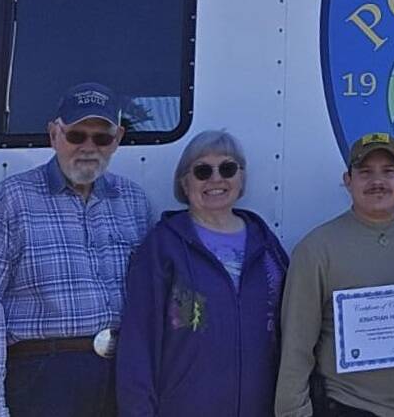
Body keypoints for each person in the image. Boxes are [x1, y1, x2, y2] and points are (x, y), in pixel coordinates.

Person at [0, 82, 153, 417]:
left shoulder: (135, 202)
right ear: (54, 135)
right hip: (42, 379)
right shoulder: (12, 198)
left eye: (102, 137)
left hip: (122, 379)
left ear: (118, 139)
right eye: (76, 135)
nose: (88, 147)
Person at [276, 132, 394, 417]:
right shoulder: (316, 249)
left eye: (388, 172)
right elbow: (296, 345)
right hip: (349, 406)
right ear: (348, 180)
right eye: (365, 172)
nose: (378, 182)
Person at [116, 130, 289, 416]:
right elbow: (138, 344)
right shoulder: (162, 246)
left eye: (228, 168)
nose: (216, 179)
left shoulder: (267, 246)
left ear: (241, 178)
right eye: (202, 171)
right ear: (184, 183)